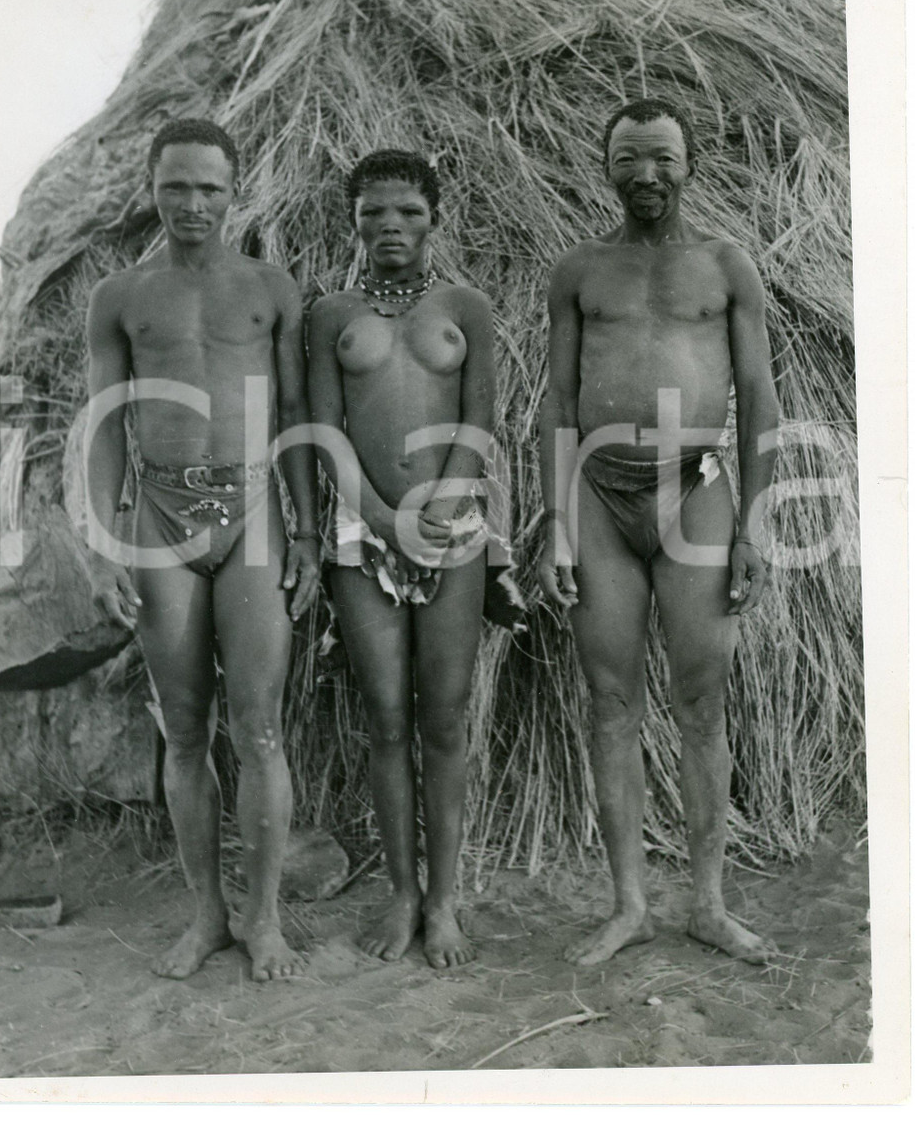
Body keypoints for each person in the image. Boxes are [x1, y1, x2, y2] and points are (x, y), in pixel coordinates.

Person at [538, 98, 779, 966]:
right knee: (610, 702)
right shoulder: (578, 270)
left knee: (701, 698)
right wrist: (560, 528)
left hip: (696, 489)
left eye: (664, 158)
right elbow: (558, 401)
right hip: (600, 497)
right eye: (631, 157)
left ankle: (709, 903)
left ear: (691, 164)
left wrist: (752, 525)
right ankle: (630, 904)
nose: (648, 174)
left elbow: (758, 396)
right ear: (606, 166)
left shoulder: (725, 267)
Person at [84, 118, 319, 981]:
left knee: (259, 730)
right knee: (185, 731)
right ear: (152, 186)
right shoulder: (121, 297)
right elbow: (105, 423)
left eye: (209, 188)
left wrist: (303, 529)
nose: (193, 204)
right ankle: (207, 917)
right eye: (176, 186)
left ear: (235, 190)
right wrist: (104, 538)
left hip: (253, 508)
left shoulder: (268, 289)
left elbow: (296, 419)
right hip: (157, 514)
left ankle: (264, 922)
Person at [307, 150, 495, 968]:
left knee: (444, 718)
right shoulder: (329, 315)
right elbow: (324, 431)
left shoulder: (466, 307)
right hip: (361, 529)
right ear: (352, 221)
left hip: (452, 519)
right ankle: (401, 892)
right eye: (374, 213)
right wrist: (381, 516)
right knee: (386, 717)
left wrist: (441, 507)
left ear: (434, 218)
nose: (391, 227)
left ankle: (446, 900)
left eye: (408, 213)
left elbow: (481, 421)